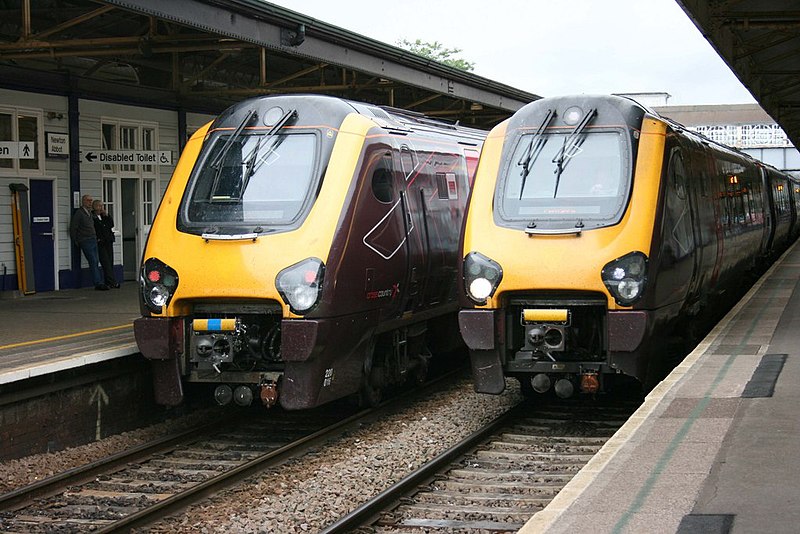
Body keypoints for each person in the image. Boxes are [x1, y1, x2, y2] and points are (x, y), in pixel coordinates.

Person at [70, 194, 108, 290]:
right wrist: (76, 240)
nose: (90, 202)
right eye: (88, 200)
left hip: (93, 238)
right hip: (85, 240)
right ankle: (98, 283)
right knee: (93, 260)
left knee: (96, 260)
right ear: (83, 201)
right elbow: (74, 227)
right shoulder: (79, 213)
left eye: (91, 201)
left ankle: (99, 281)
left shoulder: (90, 213)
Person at [92, 199, 120, 289]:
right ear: (95, 207)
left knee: (110, 260)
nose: (101, 208)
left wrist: (107, 215)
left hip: (108, 240)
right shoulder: (93, 216)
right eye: (99, 206)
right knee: (105, 262)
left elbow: (111, 225)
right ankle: (113, 281)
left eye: (102, 206)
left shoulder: (104, 216)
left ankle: (108, 281)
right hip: (100, 241)